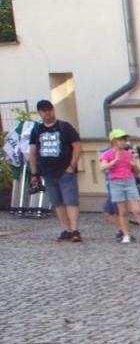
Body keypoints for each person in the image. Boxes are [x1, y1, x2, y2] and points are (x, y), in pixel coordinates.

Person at [27, 99, 82, 242]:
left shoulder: (65, 127)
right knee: (57, 202)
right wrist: (34, 173)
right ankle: (66, 230)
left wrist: (72, 165)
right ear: (39, 113)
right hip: (47, 172)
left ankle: (75, 230)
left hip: (65, 170)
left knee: (70, 200)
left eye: (49, 109)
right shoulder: (37, 130)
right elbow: (32, 152)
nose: (48, 113)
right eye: (44, 111)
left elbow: (77, 146)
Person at [99, 129, 140, 243]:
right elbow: (102, 167)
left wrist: (134, 166)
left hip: (129, 181)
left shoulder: (128, 154)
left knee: (137, 210)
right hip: (116, 183)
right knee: (122, 212)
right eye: (120, 140)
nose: (123, 142)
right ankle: (126, 235)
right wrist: (114, 161)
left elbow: (136, 172)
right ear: (113, 141)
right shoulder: (107, 154)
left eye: (124, 140)